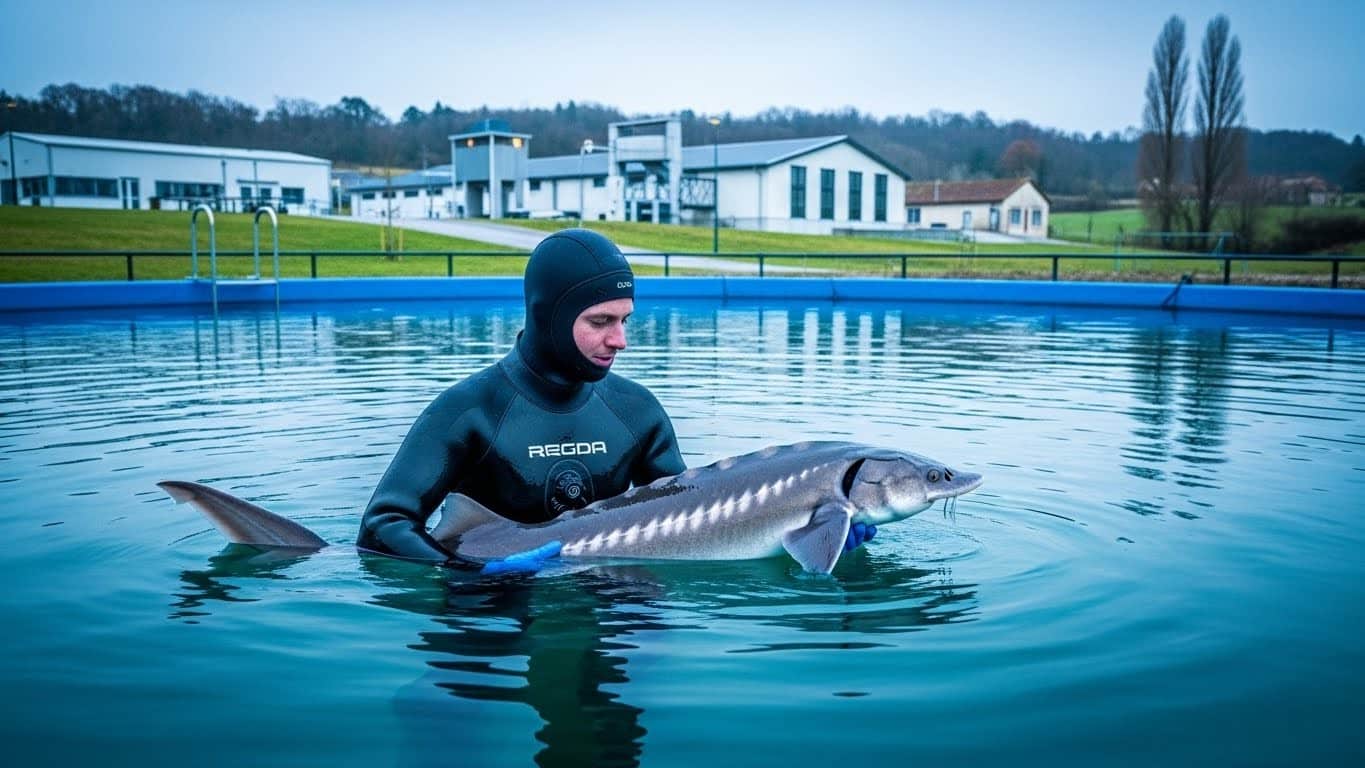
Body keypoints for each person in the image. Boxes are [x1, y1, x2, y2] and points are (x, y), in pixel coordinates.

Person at [357, 228, 685, 569]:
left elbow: (687, 513)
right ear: (548, 316)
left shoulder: (637, 411)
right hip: (493, 596)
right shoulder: (469, 411)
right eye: (601, 321)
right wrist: (469, 571)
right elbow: (382, 526)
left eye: (624, 320)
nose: (620, 340)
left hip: (609, 595)